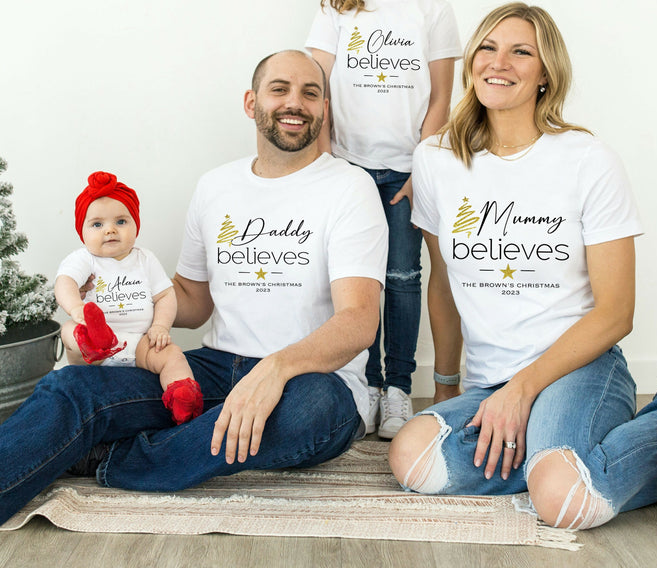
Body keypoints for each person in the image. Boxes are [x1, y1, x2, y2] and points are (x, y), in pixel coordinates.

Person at [0, 50, 388, 525]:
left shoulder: (350, 187)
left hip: (309, 382)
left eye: (311, 93)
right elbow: (193, 300)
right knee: (73, 386)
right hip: (215, 367)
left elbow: (359, 321)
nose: (296, 102)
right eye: (280, 89)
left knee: (311, 412)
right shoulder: (215, 186)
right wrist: (112, 298)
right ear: (252, 103)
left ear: (324, 109)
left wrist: (275, 369)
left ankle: (109, 459)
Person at [387, 3, 657, 529]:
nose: (500, 63)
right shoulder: (437, 159)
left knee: (564, 504)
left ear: (546, 74)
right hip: (492, 383)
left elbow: (616, 313)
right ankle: (559, 454)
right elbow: (445, 283)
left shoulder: (587, 159)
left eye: (522, 52)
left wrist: (524, 388)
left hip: (580, 368)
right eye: (489, 48)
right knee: (413, 456)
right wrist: (449, 390)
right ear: (472, 61)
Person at [306, 0, 462, 438]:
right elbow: (317, 89)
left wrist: (424, 168)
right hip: (347, 170)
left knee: (402, 277)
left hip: (405, 171)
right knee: (358, 281)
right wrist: (324, 164)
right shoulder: (336, 9)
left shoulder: (433, 10)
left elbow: (442, 100)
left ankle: (399, 388)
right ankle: (364, 384)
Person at [56, 171, 204, 424]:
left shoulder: (145, 259)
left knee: (173, 355)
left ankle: (182, 396)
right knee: (69, 330)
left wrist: (160, 326)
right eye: (97, 224)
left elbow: (166, 295)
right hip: (92, 355)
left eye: (121, 222)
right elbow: (64, 283)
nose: (110, 230)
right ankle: (92, 338)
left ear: (136, 225)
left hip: (139, 344)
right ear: (82, 231)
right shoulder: (84, 259)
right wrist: (76, 307)